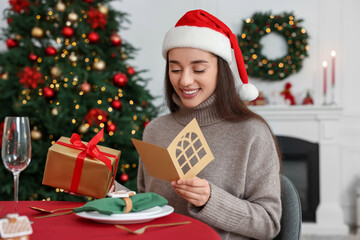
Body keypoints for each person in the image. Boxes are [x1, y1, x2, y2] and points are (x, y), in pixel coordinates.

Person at [113, 9, 282, 239]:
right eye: (175, 69)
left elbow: (268, 224)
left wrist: (210, 200)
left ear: (221, 70)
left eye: (199, 69)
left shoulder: (252, 133)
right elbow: (147, 206)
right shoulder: (156, 129)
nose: (184, 80)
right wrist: (111, 190)